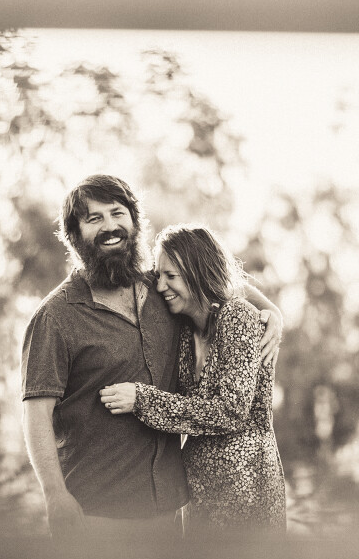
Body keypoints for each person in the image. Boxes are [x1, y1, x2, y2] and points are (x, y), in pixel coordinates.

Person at [20, 175, 282, 536]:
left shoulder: (161, 289)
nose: (110, 226)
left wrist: (271, 310)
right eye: (94, 218)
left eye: (117, 213)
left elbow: (211, 276)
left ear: (134, 221)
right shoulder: (55, 316)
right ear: (74, 235)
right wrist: (54, 495)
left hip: (170, 509)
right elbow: (36, 415)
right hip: (96, 511)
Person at [99, 225, 286, 534]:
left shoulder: (237, 317)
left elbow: (231, 411)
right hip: (199, 493)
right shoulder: (185, 328)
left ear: (198, 272)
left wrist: (142, 400)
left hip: (247, 490)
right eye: (159, 275)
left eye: (171, 276)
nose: (161, 286)